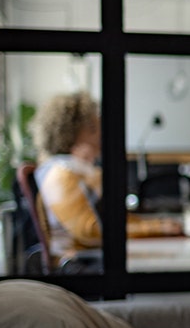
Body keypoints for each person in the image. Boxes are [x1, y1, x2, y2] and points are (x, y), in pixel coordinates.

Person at [33, 92, 179, 261]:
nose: (102, 133)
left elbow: (114, 219)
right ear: (77, 132)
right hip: (80, 264)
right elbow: (89, 231)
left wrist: (156, 226)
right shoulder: (59, 175)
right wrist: (154, 230)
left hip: (91, 257)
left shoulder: (77, 171)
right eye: (94, 128)